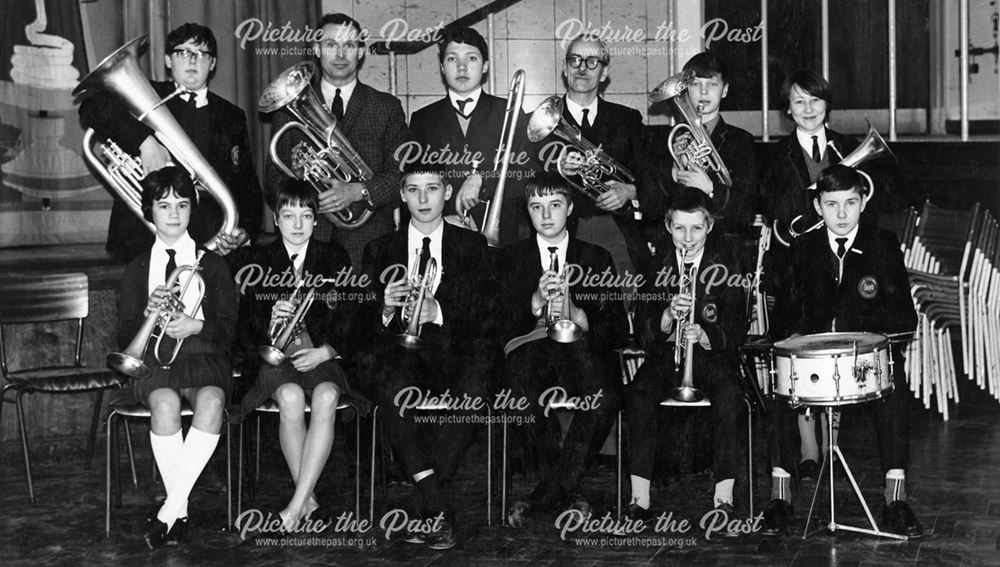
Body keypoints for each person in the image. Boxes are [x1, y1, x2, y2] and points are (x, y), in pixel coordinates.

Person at [762, 164, 921, 539]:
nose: (842, 214)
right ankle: (780, 498)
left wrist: (866, 330)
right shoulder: (800, 249)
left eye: (851, 202)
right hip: (815, 361)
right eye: (831, 205)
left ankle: (895, 497)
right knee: (780, 390)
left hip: (862, 359)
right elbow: (784, 319)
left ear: (863, 202)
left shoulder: (883, 244)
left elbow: (904, 317)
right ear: (818, 207)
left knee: (896, 390)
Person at [356, 168, 496, 550]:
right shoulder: (379, 249)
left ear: (446, 192)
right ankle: (437, 504)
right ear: (401, 195)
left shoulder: (472, 244)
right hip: (402, 353)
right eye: (413, 190)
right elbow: (358, 324)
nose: (423, 199)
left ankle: (424, 500)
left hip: (454, 352)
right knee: (390, 385)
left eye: (432, 189)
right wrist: (383, 306)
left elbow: (486, 314)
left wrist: (439, 313)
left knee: (476, 386)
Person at [227, 179, 366, 531]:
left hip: (319, 357)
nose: (298, 224)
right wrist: (269, 320)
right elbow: (245, 328)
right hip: (278, 360)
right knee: (289, 398)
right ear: (276, 219)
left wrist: (325, 352)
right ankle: (308, 501)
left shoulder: (334, 257)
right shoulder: (259, 260)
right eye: (289, 216)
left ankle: (296, 505)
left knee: (327, 395)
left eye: (306, 216)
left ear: (317, 220)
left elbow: (351, 318)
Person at [114, 166, 236, 548]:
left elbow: (230, 328)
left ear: (192, 210)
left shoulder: (211, 264)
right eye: (163, 205)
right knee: (164, 402)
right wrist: (149, 316)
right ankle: (178, 509)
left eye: (182, 204)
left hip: (203, 354)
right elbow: (123, 336)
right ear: (148, 210)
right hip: (154, 360)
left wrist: (196, 326)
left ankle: (170, 511)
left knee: (213, 399)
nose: (173, 213)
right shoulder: (137, 268)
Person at [501, 173, 627, 526]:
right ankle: (566, 491)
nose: (546, 215)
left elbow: (617, 329)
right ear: (527, 212)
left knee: (605, 395)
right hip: (534, 352)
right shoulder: (511, 259)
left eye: (555, 205)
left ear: (570, 208)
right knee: (517, 387)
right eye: (536, 207)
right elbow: (495, 329)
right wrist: (535, 301)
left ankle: (548, 492)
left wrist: (582, 317)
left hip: (582, 351)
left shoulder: (596, 257)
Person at [80, 23, 261, 260]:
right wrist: (144, 141)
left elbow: (248, 187)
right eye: (183, 52)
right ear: (168, 60)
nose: (192, 61)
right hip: (142, 240)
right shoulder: (145, 95)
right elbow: (91, 107)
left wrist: (243, 232)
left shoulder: (232, 115)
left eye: (202, 54)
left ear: (213, 63)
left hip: (207, 239)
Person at [624, 188, 747, 522]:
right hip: (667, 353)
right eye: (680, 228)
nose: (688, 237)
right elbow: (642, 326)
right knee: (638, 395)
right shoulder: (655, 262)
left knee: (730, 396)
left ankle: (724, 495)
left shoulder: (728, 260)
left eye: (696, 228)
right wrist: (666, 316)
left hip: (711, 354)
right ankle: (640, 497)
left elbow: (738, 322)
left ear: (709, 226)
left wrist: (706, 334)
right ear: (668, 226)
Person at [266, 13, 406, 267]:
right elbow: (273, 181)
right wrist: (299, 180)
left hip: (369, 241)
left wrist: (358, 191)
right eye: (331, 45)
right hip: (306, 240)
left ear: (361, 52)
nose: (340, 55)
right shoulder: (288, 109)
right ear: (317, 49)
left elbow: (400, 175)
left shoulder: (387, 107)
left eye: (349, 45)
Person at [406, 26, 537, 245]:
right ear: (442, 67)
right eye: (451, 59)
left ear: (485, 66)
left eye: (472, 58)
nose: (462, 67)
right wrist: (440, 220)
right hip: (443, 235)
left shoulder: (509, 111)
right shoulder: (423, 119)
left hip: (504, 238)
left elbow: (529, 173)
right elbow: (413, 184)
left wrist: (483, 180)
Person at [537, 33, 653, 276]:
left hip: (617, 229)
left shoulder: (628, 119)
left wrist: (629, 191)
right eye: (575, 60)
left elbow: (652, 176)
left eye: (592, 62)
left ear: (604, 71)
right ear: (564, 67)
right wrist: (558, 166)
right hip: (561, 232)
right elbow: (528, 180)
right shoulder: (541, 123)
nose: (582, 68)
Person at [660, 52, 758, 238]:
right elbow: (651, 206)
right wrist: (674, 171)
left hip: (724, 242)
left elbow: (747, 211)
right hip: (676, 241)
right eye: (696, 84)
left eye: (712, 84)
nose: (704, 92)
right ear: (685, 89)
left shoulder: (742, 141)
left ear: (725, 89)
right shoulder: (670, 141)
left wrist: (710, 188)